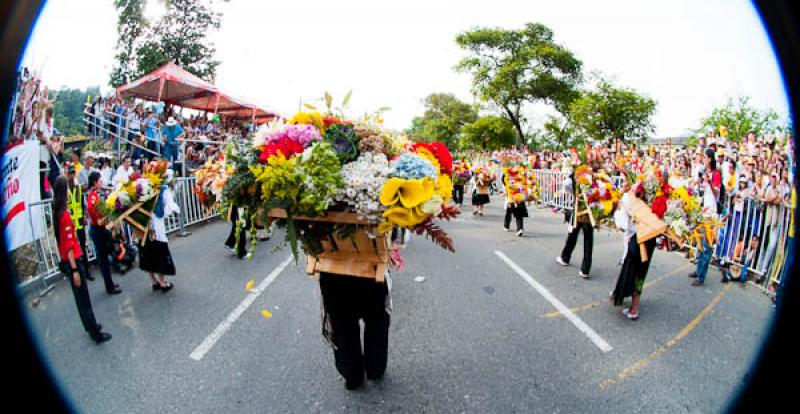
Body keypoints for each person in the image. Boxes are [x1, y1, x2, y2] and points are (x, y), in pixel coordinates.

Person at [52, 176, 112, 343]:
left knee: (80, 299)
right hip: (73, 261)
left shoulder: (56, 211)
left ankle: (89, 325)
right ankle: (95, 332)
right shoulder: (63, 215)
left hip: (68, 260)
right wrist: (74, 269)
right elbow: (69, 245)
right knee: (83, 298)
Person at [319, 270, 391, 390]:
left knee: (342, 326)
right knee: (376, 321)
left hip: (334, 274)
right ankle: (375, 368)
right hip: (370, 271)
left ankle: (353, 375)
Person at [612, 185, 658, 320]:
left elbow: (622, 224)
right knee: (637, 271)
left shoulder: (630, 200)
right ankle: (623, 296)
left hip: (639, 239)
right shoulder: (652, 202)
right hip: (648, 238)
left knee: (634, 271)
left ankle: (634, 308)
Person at [139, 170, 179, 291]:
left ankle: (154, 281)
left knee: (147, 253)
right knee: (159, 252)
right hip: (156, 227)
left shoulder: (141, 185)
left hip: (143, 225)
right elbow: (169, 207)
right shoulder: (162, 189)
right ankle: (162, 282)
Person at [86, 172, 122, 295]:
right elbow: (99, 221)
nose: (102, 183)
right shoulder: (92, 199)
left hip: (101, 230)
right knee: (104, 261)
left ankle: (110, 282)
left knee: (108, 254)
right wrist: (110, 213)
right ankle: (109, 286)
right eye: (100, 181)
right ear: (95, 183)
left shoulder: (95, 195)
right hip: (98, 231)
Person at [556, 172, 593, 279]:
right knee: (588, 239)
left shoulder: (577, 172)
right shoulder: (594, 172)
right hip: (590, 209)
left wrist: (574, 194)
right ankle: (585, 269)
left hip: (579, 208)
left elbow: (567, 184)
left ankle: (565, 257)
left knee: (572, 234)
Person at [65, 162, 93, 281]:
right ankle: (78, 272)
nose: (72, 176)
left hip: (80, 222)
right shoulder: (65, 190)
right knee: (74, 249)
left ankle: (87, 271)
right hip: (70, 225)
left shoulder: (78, 188)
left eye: (73, 173)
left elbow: (82, 204)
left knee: (83, 246)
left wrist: (85, 215)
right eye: (70, 173)